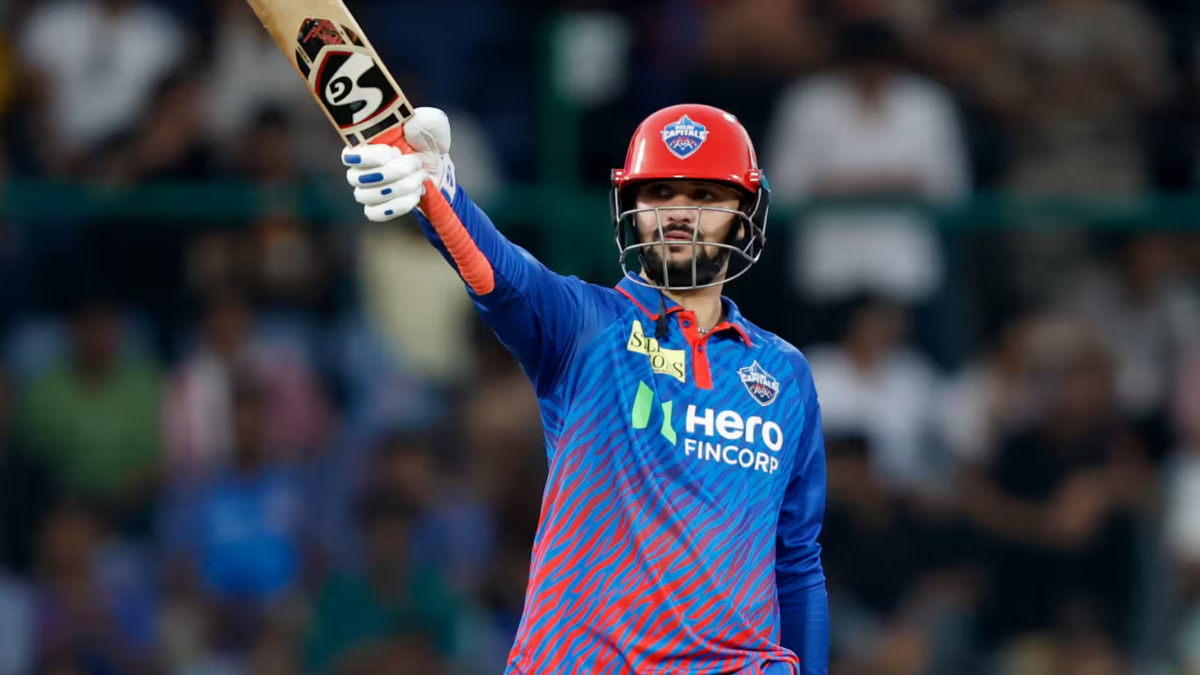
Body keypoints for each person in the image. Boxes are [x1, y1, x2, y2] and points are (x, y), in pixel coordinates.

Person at [340, 105, 829, 675]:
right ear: (632, 208)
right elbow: (502, 277)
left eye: (703, 195)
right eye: (660, 193)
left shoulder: (785, 374)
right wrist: (438, 194)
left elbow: (795, 563)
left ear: (744, 214)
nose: (678, 213)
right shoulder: (589, 328)